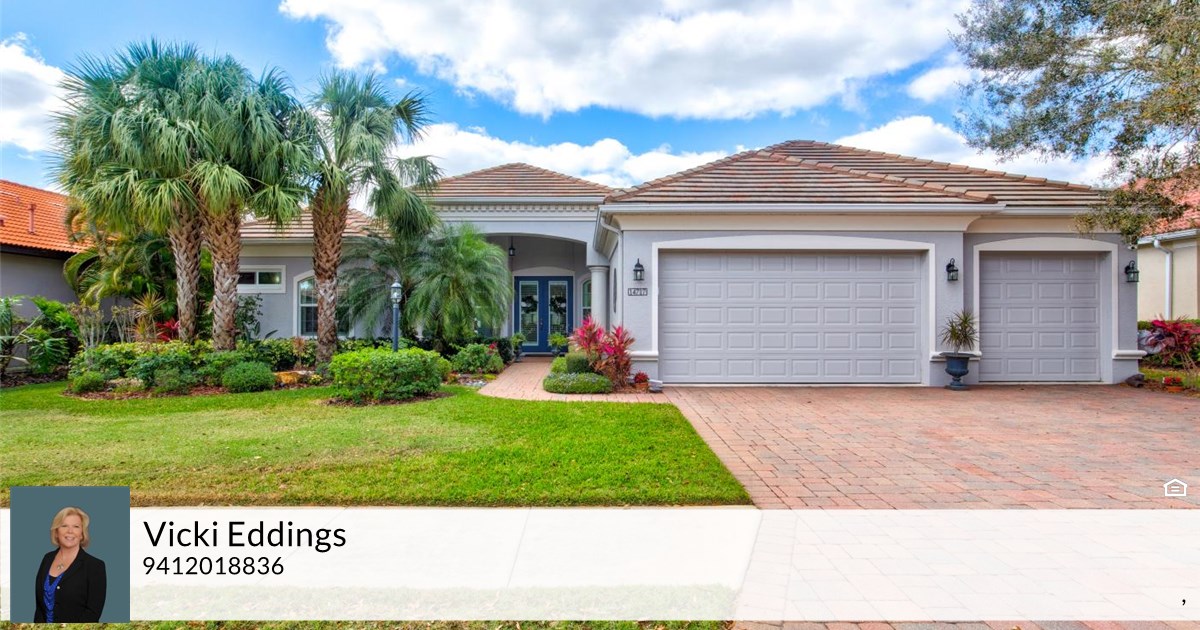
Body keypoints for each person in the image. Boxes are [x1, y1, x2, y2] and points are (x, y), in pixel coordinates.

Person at [34, 506, 106, 622]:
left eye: (76, 526)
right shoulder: (47, 559)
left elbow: (93, 613)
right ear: (56, 532)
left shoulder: (95, 566)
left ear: (82, 533)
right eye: (64, 526)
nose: (70, 531)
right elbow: (39, 607)